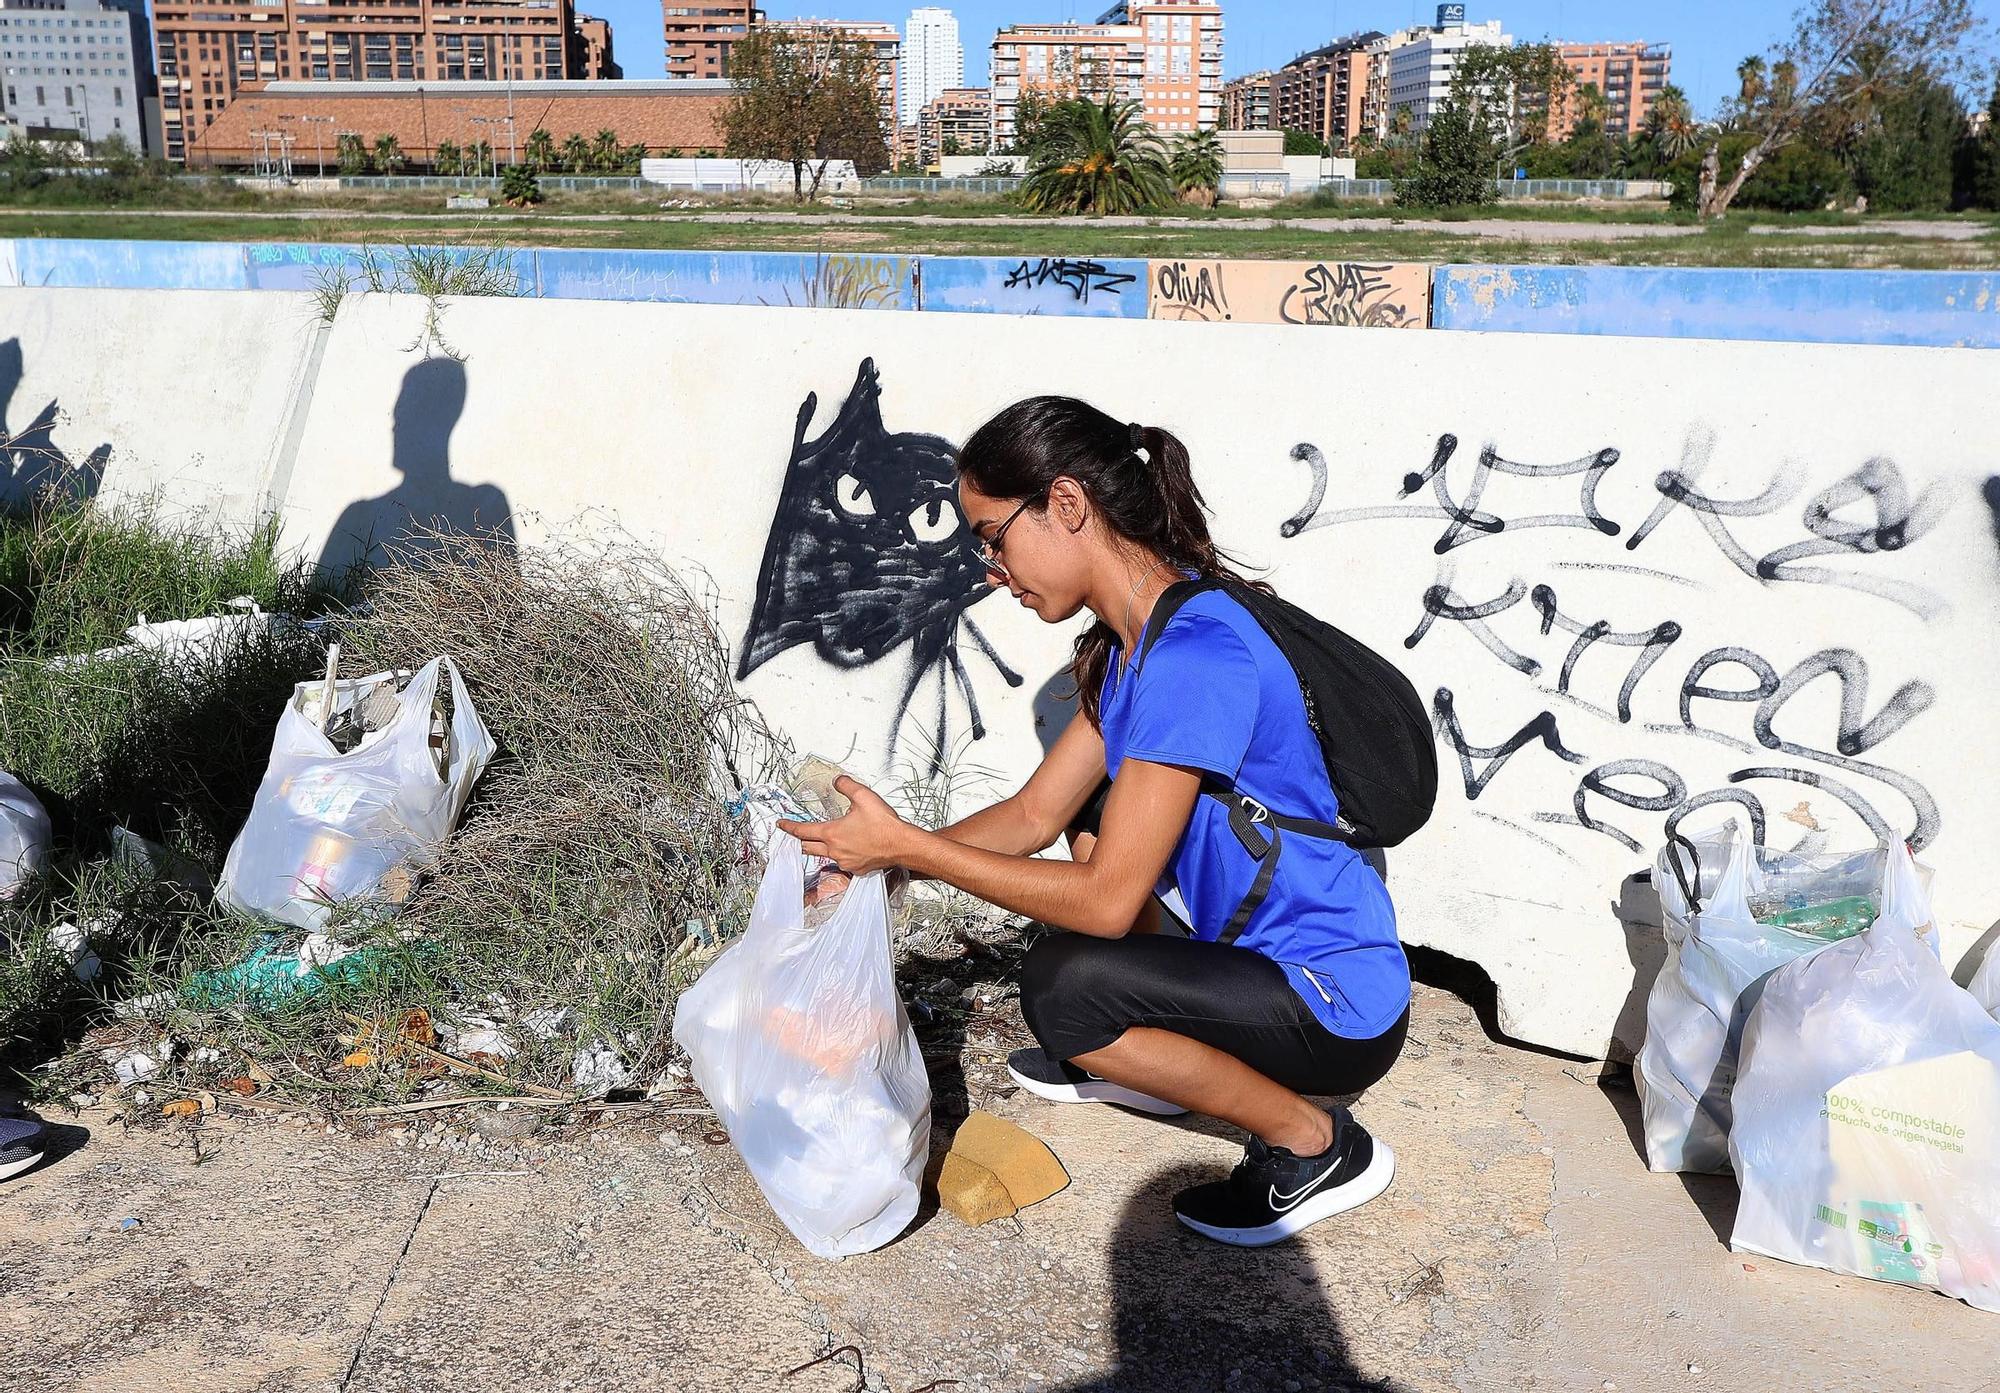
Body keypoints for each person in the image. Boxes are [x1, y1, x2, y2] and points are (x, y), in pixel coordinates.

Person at [779, 396, 1411, 1247]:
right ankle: (1160, 1062)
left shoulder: (1194, 655)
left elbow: (1110, 901)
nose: (989, 567)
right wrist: (883, 862)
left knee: (1064, 991)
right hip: (1251, 966)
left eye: (993, 536)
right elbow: (1035, 811)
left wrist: (910, 845)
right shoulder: (1132, 648)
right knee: (1094, 810)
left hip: (1336, 1004)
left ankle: (1316, 1146)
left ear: (1067, 505)